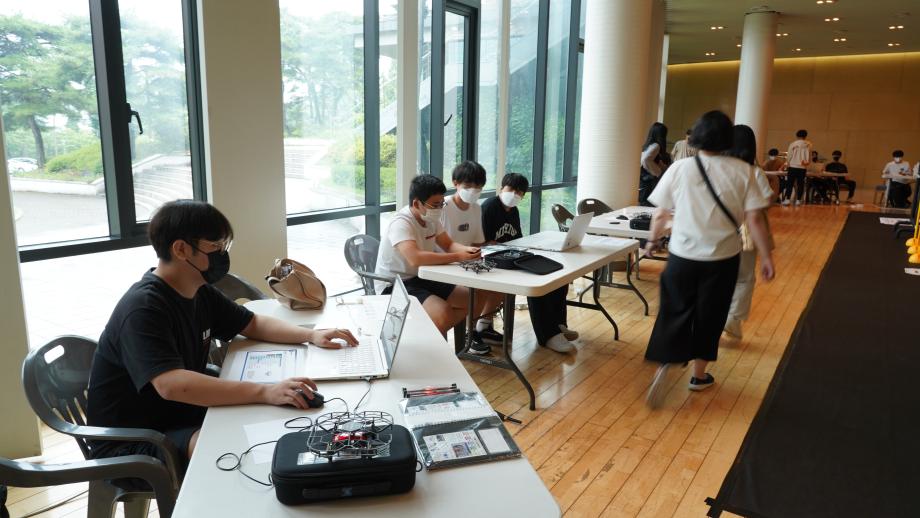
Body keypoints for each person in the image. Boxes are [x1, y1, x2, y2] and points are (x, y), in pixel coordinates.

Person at [86, 200, 359, 484]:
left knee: (265, 423)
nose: (222, 255)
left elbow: (251, 323)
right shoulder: (144, 308)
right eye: (215, 247)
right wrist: (266, 391)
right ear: (181, 249)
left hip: (176, 414)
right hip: (132, 442)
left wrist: (311, 335)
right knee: (226, 453)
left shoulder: (197, 290)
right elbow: (172, 385)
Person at [643, 111, 775, 408]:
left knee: (675, 309)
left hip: (682, 256)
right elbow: (754, 219)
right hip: (722, 258)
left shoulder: (680, 168)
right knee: (710, 316)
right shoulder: (744, 171)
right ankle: (698, 376)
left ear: (697, 136)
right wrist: (766, 256)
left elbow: (661, 214)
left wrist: (651, 241)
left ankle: (666, 361)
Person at [375, 174, 486, 338]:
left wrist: (468, 251)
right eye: (435, 204)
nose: (439, 208)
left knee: (470, 299)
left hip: (421, 277)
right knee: (442, 313)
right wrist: (458, 256)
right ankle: (426, 340)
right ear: (416, 203)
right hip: (395, 283)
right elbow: (415, 258)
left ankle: (427, 336)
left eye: (441, 203)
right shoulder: (401, 223)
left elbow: (448, 244)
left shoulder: (430, 218)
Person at [481, 173, 579, 353]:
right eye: (511, 189)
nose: (514, 194)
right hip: (495, 261)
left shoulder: (514, 210)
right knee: (537, 281)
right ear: (502, 188)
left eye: (519, 192)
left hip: (512, 256)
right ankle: (548, 335)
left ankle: (558, 324)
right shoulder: (489, 207)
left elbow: (517, 238)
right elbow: (483, 242)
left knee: (556, 274)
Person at [440, 160, 504, 353]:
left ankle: (479, 328)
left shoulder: (476, 208)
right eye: (468, 185)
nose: (473, 190)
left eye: (478, 186)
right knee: (477, 291)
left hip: (467, 262)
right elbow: (441, 247)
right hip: (445, 264)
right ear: (455, 183)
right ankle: (469, 333)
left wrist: (484, 251)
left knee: (500, 286)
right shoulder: (443, 207)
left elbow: (477, 243)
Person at [723, 125, 776, 339]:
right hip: (747, 231)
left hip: (721, 227)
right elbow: (765, 201)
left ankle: (714, 317)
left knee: (721, 275)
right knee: (744, 277)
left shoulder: (720, 169)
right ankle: (733, 319)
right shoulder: (755, 171)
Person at [639, 122, 672, 206]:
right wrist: (658, 172)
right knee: (650, 204)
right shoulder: (656, 145)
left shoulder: (647, 145)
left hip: (643, 178)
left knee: (644, 203)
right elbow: (646, 159)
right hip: (650, 179)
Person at [782, 129, 812, 206]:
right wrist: (807, 164)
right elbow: (810, 157)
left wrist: (787, 163)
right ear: (805, 136)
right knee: (800, 184)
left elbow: (789, 155)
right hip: (803, 167)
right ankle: (798, 200)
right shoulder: (809, 145)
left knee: (790, 184)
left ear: (797, 136)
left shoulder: (793, 144)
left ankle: (787, 200)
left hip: (793, 166)